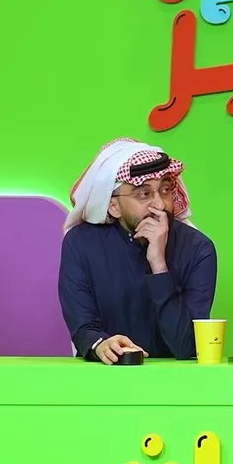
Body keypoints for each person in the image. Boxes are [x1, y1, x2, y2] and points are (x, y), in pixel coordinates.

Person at [59, 138, 217, 364]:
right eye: (144, 194)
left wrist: (159, 265)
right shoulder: (80, 244)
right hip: (105, 375)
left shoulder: (198, 249)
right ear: (113, 206)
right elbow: (84, 328)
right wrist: (101, 344)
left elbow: (185, 346)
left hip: (175, 380)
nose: (160, 205)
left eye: (165, 190)